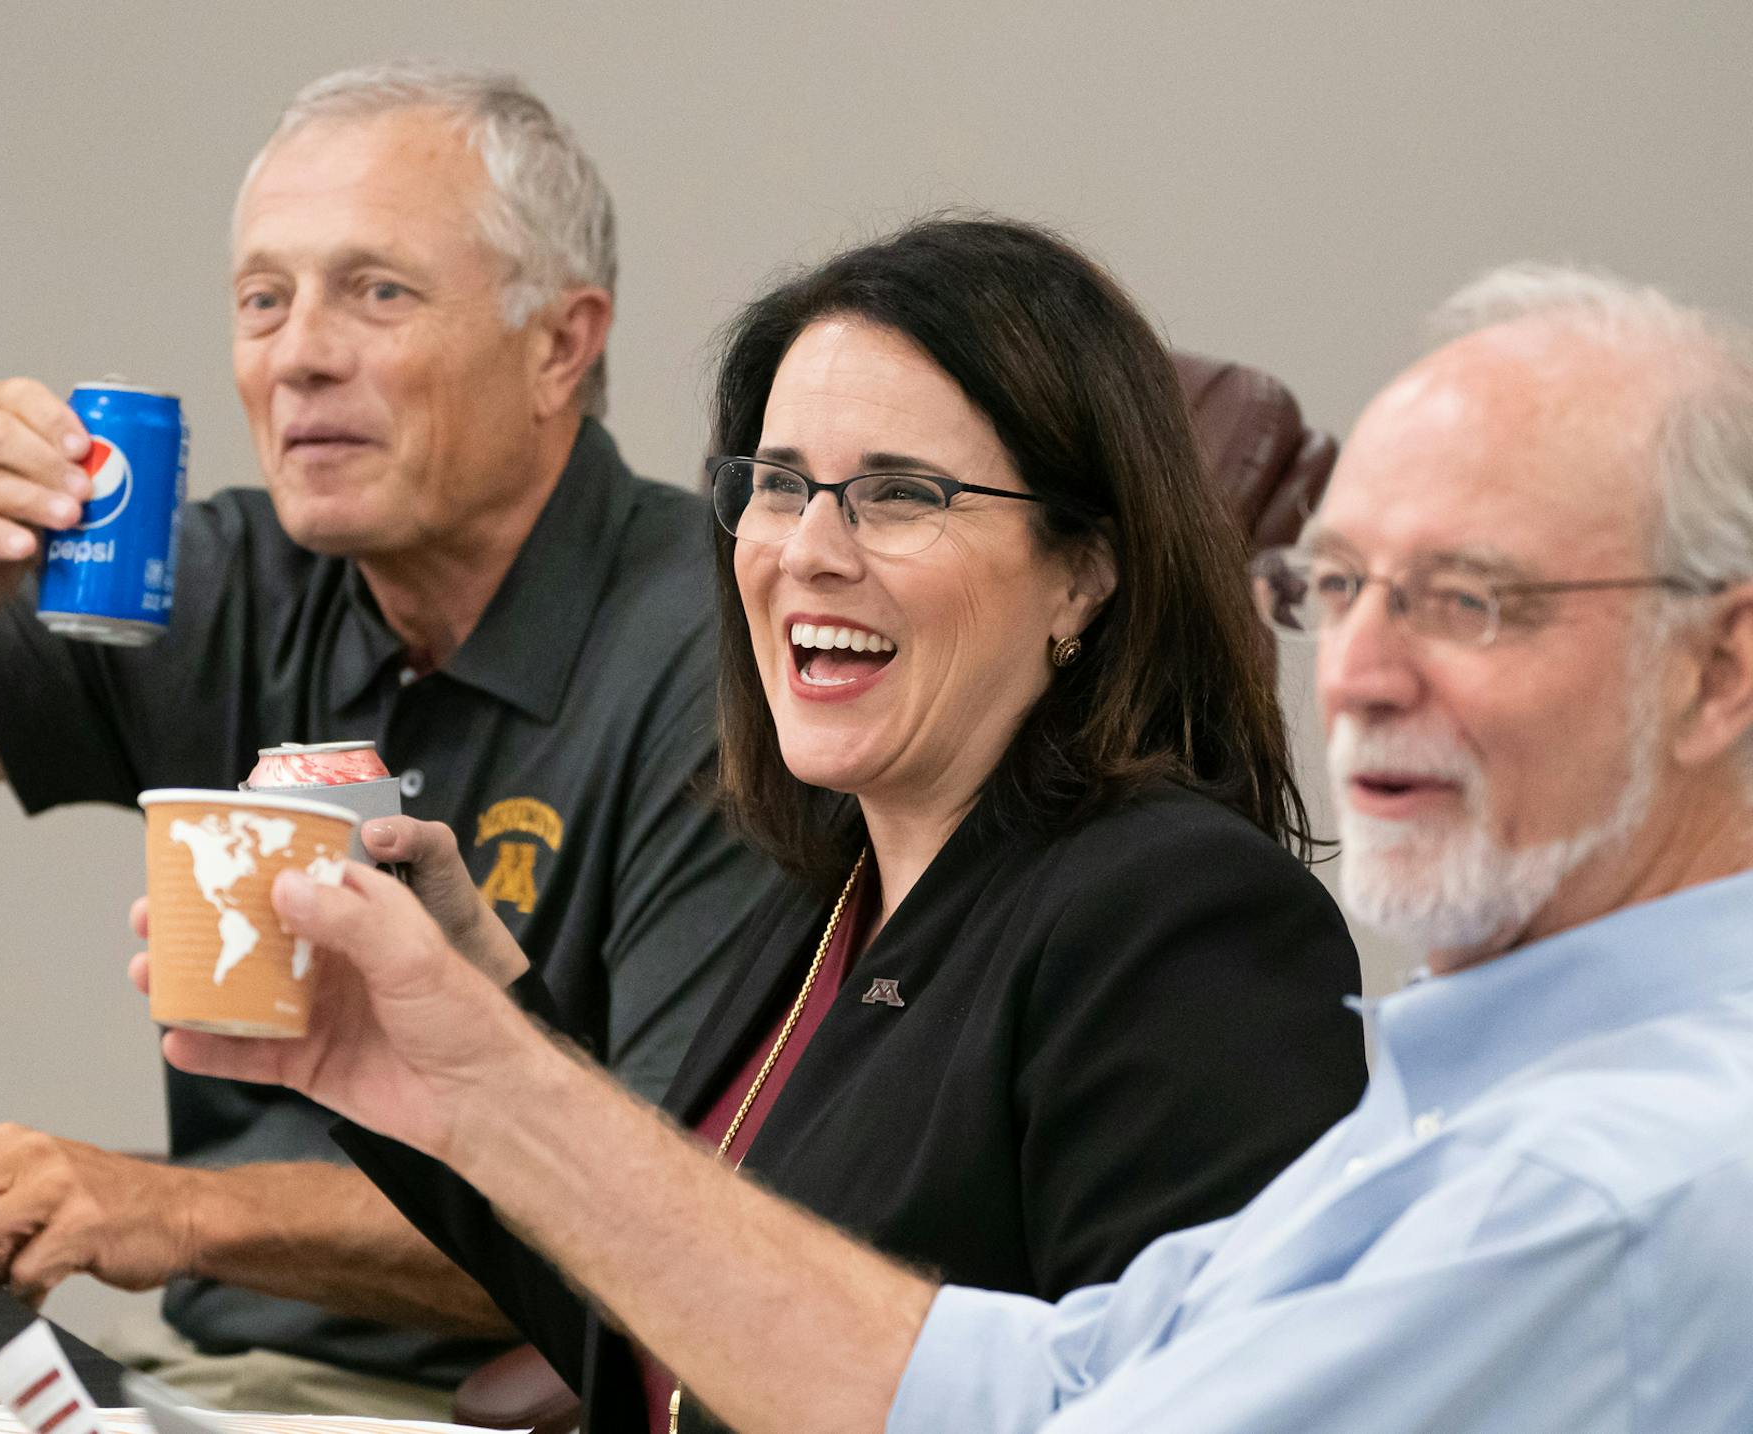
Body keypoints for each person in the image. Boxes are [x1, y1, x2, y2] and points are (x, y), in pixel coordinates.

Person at [154, 257, 1753, 1434]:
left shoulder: (1186, 920)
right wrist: (454, 1041)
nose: (809, 552)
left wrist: (490, 1077)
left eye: (901, 494)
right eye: (778, 485)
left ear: (1082, 576)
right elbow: (812, 1346)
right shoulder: (845, 885)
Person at [0, 62, 778, 1418]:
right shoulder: (237, 579)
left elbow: (681, 1220)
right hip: (201, 1384)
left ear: (561, 344)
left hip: (490, 1400)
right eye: (262, 299)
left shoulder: (716, 654)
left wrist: (172, 1213)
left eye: (379, 291)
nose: (299, 353)